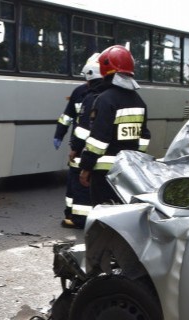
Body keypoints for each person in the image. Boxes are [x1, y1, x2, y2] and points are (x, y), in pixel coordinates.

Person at [79, 45, 150, 205]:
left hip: (104, 173)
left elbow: (98, 140)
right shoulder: (139, 101)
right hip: (129, 171)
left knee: (104, 216)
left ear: (105, 69)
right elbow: (144, 137)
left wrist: (86, 167)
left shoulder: (105, 99)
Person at [62, 53, 108, 229]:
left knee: (80, 185)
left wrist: (74, 149)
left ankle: (80, 220)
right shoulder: (115, 97)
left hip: (88, 154)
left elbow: (83, 131)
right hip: (111, 158)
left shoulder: (92, 98)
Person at [53, 75, 89, 228]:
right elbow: (67, 116)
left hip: (84, 147)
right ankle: (70, 213)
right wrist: (59, 134)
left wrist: (75, 146)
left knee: (80, 183)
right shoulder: (80, 92)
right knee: (74, 182)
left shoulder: (97, 96)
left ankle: (80, 218)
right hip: (82, 147)